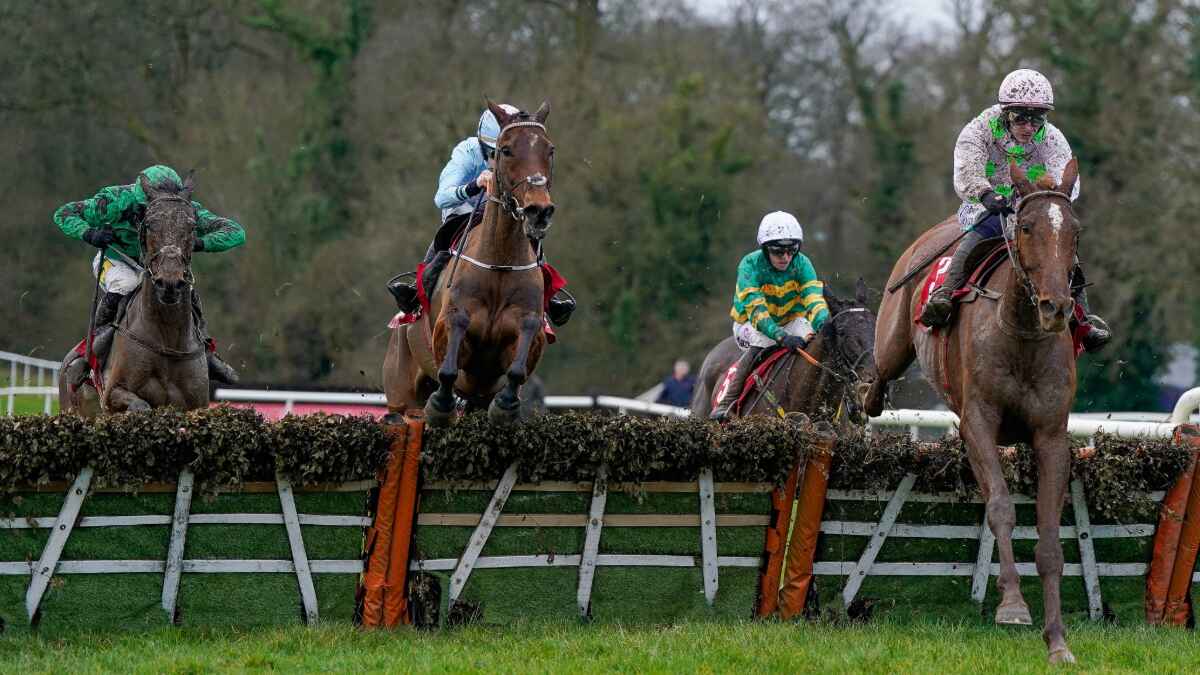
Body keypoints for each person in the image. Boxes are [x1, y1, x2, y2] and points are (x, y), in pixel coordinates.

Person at [919, 68, 1111, 351]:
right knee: (986, 229)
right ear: (1005, 111)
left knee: (1060, 244)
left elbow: (1068, 181)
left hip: (1033, 208)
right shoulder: (979, 130)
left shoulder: (1052, 138)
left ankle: (1082, 320)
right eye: (1020, 117)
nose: (1029, 126)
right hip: (989, 206)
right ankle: (945, 293)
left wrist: (1049, 200)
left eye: (1037, 118)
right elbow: (967, 170)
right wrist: (985, 194)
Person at [55, 165, 245, 387]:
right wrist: (89, 233)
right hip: (117, 259)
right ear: (142, 196)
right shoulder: (114, 201)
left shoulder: (184, 209)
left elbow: (235, 232)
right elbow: (64, 213)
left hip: (159, 265)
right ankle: (91, 354)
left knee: (186, 285)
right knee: (128, 282)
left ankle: (207, 352)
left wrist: (200, 242)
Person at [387, 104, 575, 326]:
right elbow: (441, 198)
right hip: (465, 210)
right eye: (495, 154)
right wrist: (474, 185)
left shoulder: (521, 153)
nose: (498, 161)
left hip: (502, 212)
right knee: (448, 235)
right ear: (485, 147)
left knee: (529, 233)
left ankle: (547, 297)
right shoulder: (466, 152)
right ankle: (418, 290)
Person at [710, 211, 830, 420]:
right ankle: (727, 402)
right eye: (778, 251)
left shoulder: (803, 264)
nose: (785, 257)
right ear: (765, 249)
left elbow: (813, 299)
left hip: (790, 321)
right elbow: (757, 312)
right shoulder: (749, 265)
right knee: (762, 341)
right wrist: (782, 337)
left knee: (817, 340)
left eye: (791, 250)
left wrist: (824, 323)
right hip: (751, 324)